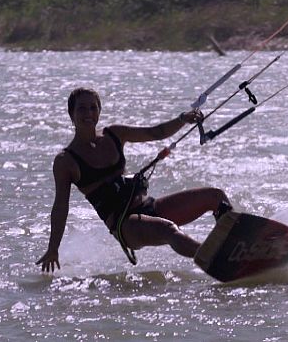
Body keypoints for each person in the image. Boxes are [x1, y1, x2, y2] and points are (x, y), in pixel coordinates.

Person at [37, 87, 232, 273]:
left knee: (215, 197)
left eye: (93, 107)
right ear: (71, 114)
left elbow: (156, 132)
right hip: (124, 225)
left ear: (99, 111)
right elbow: (60, 207)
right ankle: (219, 260)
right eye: (81, 108)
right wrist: (53, 248)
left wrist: (183, 119)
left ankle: (239, 244)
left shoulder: (114, 134)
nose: (88, 113)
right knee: (168, 230)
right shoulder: (65, 161)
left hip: (149, 206)